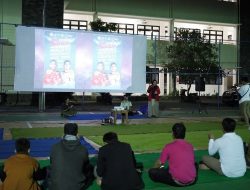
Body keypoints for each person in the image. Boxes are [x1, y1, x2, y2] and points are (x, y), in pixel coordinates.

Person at [148, 123, 197, 187]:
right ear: (184, 133)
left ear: (173, 134)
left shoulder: (169, 146)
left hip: (177, 181)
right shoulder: (190, 145)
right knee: (194, 164)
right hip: (192, 180)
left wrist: (154, 168)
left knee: (152, 172)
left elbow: (159, 163)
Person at [49, 123, 94, 190]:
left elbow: (52, 163)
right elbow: (86, 167)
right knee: (91, 168)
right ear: (77, 133)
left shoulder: (54, 147)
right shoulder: (83, 149)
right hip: (77, 186)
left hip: (56, 186)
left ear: (64, 132)